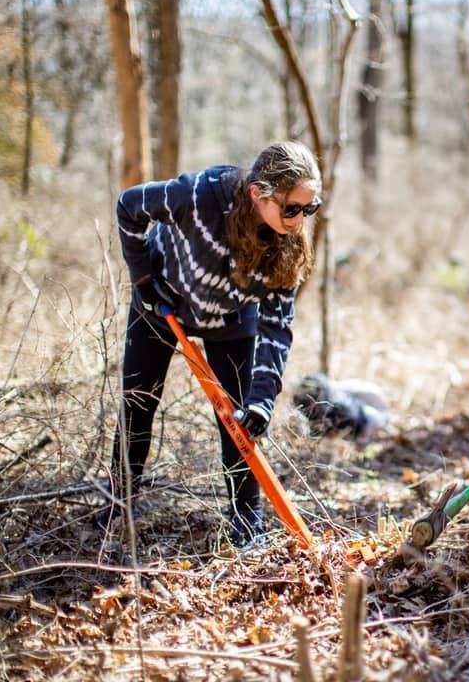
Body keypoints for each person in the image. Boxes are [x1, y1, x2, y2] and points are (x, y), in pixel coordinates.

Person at [100, 141, 321, 547]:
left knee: (239, 423)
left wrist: (262, 401)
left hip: (230, 320)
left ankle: (246, 523)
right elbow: (128, 206)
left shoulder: (287, 246)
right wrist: (144, 280)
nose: (299, 219)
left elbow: (277, 328)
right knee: (138, 405)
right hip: (161, 303)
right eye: (291, 208)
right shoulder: (199, 195)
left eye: (310, 208)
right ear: (258, 193)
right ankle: (118, 505)